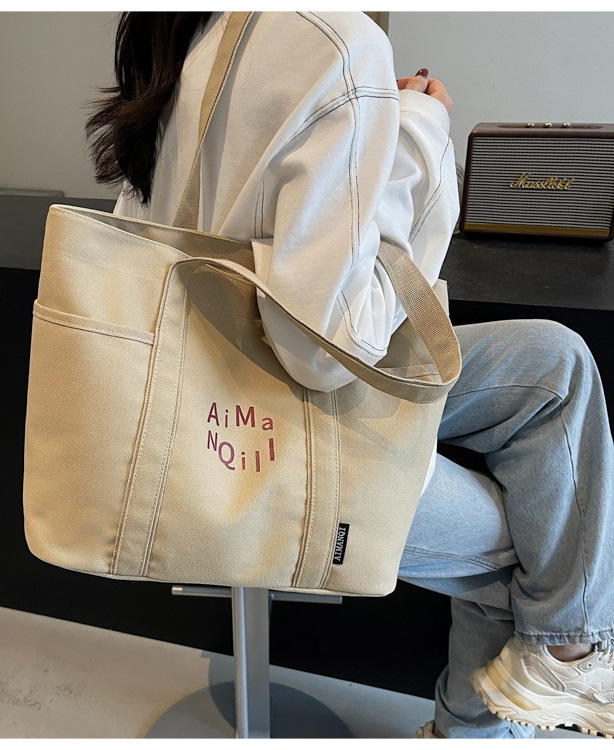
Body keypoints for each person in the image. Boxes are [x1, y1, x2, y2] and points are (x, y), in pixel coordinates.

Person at [85, 11, 614, 739]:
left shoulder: (188, 34)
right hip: (276, 425)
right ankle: (504, 700)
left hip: (205, 385)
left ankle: (563, 649)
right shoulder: (335, 39)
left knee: (553, 362)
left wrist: (370, 120)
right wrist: (417, 129)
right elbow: (326, 352)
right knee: (542, 548)